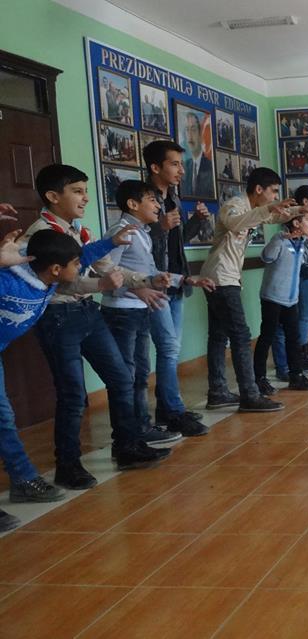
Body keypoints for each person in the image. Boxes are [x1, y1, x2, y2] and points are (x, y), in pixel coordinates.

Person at [23, 165, 172, 490]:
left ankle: (127, 446)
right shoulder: (39, 235)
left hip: (88, 312)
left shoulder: (78, 231)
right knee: (73, 394)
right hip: (58, 318)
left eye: (85, 191)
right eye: (77, 191)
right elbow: (54, 282)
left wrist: (147, 279)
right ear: (52, 196)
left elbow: (106, 266)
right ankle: (68, 465)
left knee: (121, 378)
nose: (85, 198)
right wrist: (100, 285)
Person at [0, 226, 86, 528]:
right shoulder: (9, 281)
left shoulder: (46, 279)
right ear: (56, 268)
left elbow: (86, 255)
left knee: (3, 418)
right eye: (76, 264)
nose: (80, 267)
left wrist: (112, 242)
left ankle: (23, 480)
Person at [101, 181, 198, 446]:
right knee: (127, 375)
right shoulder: (121, 232)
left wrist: (182, 279)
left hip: (139, 311)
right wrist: (139, 288)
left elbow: (151, 271)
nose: (158, 206)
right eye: (152, 200)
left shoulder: (142, 232)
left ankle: (142, 427)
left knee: (141, 372)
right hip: (122, 312)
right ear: (133, 204)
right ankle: (130, 434)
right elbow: (106, 271)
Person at [199, 167, 302, 412]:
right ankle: (250, 394)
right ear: (258, 189)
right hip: (221, 278)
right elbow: (235, 223)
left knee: (219, 336)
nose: (275, 197)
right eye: (273, 192)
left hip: (224, 277)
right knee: (241, 335)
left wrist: (301, 210)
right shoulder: (234, 205)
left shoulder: (255, 209)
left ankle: (218, 391)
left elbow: (274, 217)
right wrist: (270, 208)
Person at [143, 140, 214, 433]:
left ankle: (167, 408)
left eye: (182, 164)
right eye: (174, 164)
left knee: (172, 348)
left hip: (176, 281)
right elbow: (138, 242)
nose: (181, 170)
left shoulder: (173, 198)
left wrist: (196, 221)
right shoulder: (142, 199)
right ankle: (173, 411)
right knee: (168, 347)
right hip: (154, 284)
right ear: (155, 167)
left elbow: (178, 239)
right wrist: (159, 226)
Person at [254, 210, 308, 395]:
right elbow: (266, 256)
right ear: (296, 223)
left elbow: (305, 267)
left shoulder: (300, 243)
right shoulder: (280, 239)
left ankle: (296, 376)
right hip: (273, 298)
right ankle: (259, 379)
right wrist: (278, 238)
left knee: (293, 339)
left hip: (291, 300)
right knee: (267, 337)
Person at [180, 112, 214, 199]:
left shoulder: (211, 167)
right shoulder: (184, 167)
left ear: (200, 134)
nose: (190, 135)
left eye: (193, 129)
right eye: (187, 130)